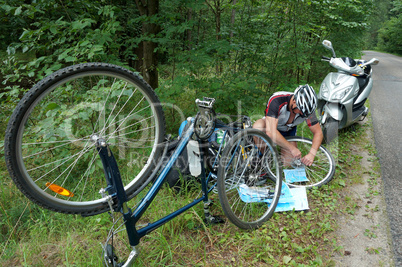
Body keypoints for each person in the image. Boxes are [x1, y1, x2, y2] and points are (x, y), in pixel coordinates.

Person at [253, 84, 323, 166]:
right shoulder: (277, 100)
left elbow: (318, 133)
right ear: (294, 101)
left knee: (288, 163)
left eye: (305, 113)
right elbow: (271, 132)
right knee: (258, 128)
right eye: (300, 111)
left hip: (288, 131)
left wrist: (312, 154)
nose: (302, 114)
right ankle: (264, 156)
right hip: (271, 126)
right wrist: (292, 148)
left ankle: (281, 146)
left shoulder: (307, 109)